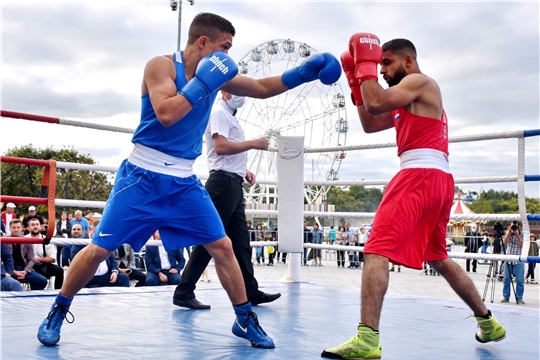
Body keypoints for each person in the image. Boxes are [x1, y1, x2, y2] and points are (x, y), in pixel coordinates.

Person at [37, 12, 340, 349]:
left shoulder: (219, 74)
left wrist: (305, 72)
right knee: (98, 250)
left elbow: (261, 88)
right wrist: (204, 83)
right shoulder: (161, 66)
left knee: (223, 247)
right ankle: (58, 309)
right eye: (224, 46)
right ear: (202, 42)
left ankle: (244, 319)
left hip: (183, 180)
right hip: (142, 176)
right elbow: (166, 114)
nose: (227, 54)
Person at [321, 36, 505, 359]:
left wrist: (362, 67)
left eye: (386, 63)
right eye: (378, 66)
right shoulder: (407, 100)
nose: (382, 71)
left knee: (376, 247)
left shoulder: (419, 82)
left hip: (419, 175)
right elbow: (369, 120)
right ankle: (488, 322)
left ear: (407, 61)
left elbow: (376, 100)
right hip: (438, 180)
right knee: (438, 256)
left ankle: (367, 338)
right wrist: (355, 80)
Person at [173, 89, 280, 309]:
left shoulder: (228, 116)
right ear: (224, 92)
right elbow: (220, 147)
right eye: (237, 90)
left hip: (232, 182)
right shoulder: (220, 114)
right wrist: (252, 143)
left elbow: (223, 151)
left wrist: (243, 170)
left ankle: (250, 290)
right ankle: (184, 291)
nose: (242, 95)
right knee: (211, 239)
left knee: (241, 242)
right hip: (222, 184)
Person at [70, 221, 130, 289]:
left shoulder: (105, 241)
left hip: (105, 276)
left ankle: (123, 299)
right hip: (85, 276)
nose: (100, 234)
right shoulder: (80, 242)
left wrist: (114, 271)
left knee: (123, 278)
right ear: (90, 230)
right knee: (74, 283)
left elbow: (112, 260)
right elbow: (73, 259)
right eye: (97, 231)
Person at [7, 219, 48, 290]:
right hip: (9, 269)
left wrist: (25, 271)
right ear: (9, 228)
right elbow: (3, 260)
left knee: (42, 280)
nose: (16, 230)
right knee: (8, 282)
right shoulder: (4, 241)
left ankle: (32, 298)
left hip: (24, 268)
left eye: (18, 227)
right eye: (14, 227)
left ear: (21, 228)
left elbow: (31, 259)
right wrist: (13, 271)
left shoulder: (27, 240)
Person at [29, 218, 65, 290]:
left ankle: (57, 291)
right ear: (28, 228)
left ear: (41, 226)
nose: (35, 226)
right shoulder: (24, 239)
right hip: (28, 266)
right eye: (32, 225)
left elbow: (52, 259)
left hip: (42, 265)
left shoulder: (46, 239)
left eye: (37, 224)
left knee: (59, 270)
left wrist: (39, 259)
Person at [501, 221, 525, 304]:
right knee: (506, 279)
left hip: (519, 258)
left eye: (516, 225)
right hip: (509, 258)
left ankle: (519, 297)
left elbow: (522, 244)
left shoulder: (522, 233)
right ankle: (506, 296)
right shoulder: (508, 232)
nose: (514, 226)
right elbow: (505, 242)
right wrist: (509, 232)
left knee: (520, 280)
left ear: (519, 226)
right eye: (513, 225)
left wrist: (517, 234)